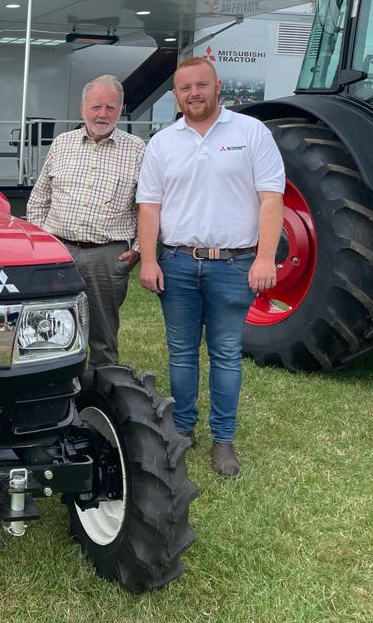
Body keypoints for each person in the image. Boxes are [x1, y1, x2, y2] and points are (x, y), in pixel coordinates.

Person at [136, 57, 284, 477]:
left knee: (225, 355)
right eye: (185, 88)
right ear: (176, 95)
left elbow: (271, 198)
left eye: (201, 85)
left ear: (217, 86)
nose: (193, 94)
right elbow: (149, 207)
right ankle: (183, 429)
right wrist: (149, 259)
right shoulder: (163, 143)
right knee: (181, 354)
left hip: (234, 264)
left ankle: (223, 440)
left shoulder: (251, 133)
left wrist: (264, 257)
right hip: (178, 262)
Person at [26, 74, 145, 367]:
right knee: (48, 325)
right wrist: (41, 244)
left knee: (103, 336)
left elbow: (149, 205)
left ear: (120, 110)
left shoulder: (137, 149)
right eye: (95, 107)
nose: (102, 114)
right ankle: (56, 380)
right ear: (82, 109)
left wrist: (139, 249)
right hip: (58, 251)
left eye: (110, 107)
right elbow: (40, 198)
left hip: (106, 256)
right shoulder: (62, 143)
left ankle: (102, 391)